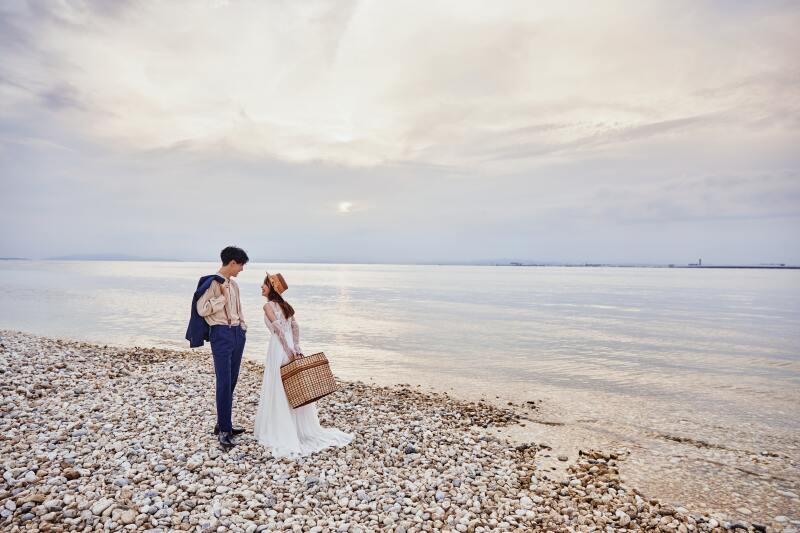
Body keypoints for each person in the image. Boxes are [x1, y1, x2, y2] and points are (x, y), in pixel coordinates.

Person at [254, 272, 353, 457]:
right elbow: (295, 327)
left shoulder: (268, 306)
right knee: (293, 385)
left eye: (264, 284)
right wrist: (296, 347)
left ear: (272, 287)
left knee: (279, 386)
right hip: (290, 345)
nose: (261, 287)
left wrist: (287, 349)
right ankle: (298, 427)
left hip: (279, 348)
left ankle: (280, 428)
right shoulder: (286, 305)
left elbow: (278, 330)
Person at [196, 246, 249, 450]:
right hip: (221, 333)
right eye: (241, 265)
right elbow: (202, 309)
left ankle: (223, 423)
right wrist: (221, 299)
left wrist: (242, 327)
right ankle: (224, 431)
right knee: (224, 381)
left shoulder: (234, 285)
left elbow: (238, 309)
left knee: (232, 380)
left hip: (237, 333)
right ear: (232, 262)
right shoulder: (213, 283)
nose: (242, 269)